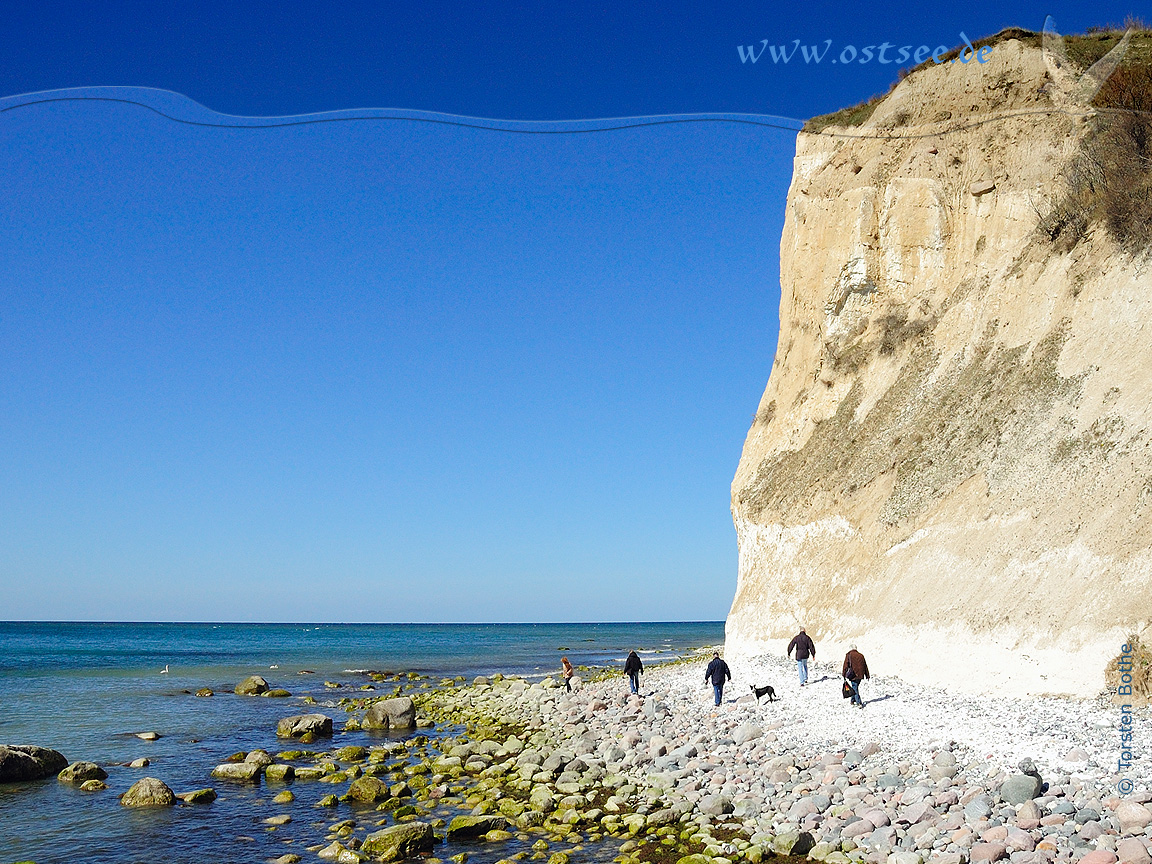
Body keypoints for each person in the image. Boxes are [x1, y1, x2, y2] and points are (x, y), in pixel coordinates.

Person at [842, 644, 870, 708]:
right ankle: (852, 700)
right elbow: (865, 666)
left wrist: (844, 673)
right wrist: (867, 675)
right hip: (860, 675)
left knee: (855, 688)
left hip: (853, 674)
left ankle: (859, 702)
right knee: (855, 686)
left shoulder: (849, 655)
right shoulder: (861, 655)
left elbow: (845, 665)